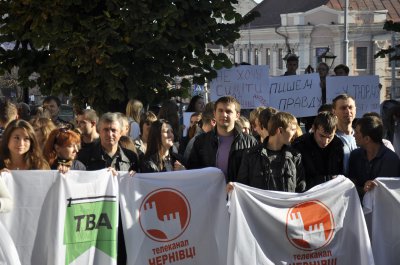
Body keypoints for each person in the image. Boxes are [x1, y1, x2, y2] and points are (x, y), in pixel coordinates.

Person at [187, 96, 257, 182]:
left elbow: (255, 175)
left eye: (228, 111)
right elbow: (193, 171)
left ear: (237, 116)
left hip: (237, 194)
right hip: (210, 194)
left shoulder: (251, 142)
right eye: (220, 110)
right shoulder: (201, 141)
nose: (224, 115)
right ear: (215, 114)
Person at [232, 112, 306, 192]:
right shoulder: (250, 155)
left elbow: (301, 188)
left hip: (288, 204)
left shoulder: (295, 156)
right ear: (280, 130)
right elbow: (242, 187)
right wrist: (233, 187)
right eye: (292, 129)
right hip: (258, 204)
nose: (295, 133)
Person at [349, 116, 400, 198]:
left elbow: (391, 193)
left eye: (357, 132)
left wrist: (375, 187)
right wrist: (363, 189)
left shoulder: (391, 160)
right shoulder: (355, 155)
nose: (354, 135)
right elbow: (351, 185)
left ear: (367, 139)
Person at [292, 111, 344, 189]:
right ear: (313, 128)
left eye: (330, 137)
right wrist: (328, 180)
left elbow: (340, 173)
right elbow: (297, 180)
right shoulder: (299, 145)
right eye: (322, 136)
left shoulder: (338, 145)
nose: (325, 141)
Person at [332, 94, 358, 175]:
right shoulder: (329, 138)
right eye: (343, 108)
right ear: (334, 111)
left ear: (355, 110)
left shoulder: (363, 136)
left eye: (350, 107)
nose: (347, 111)